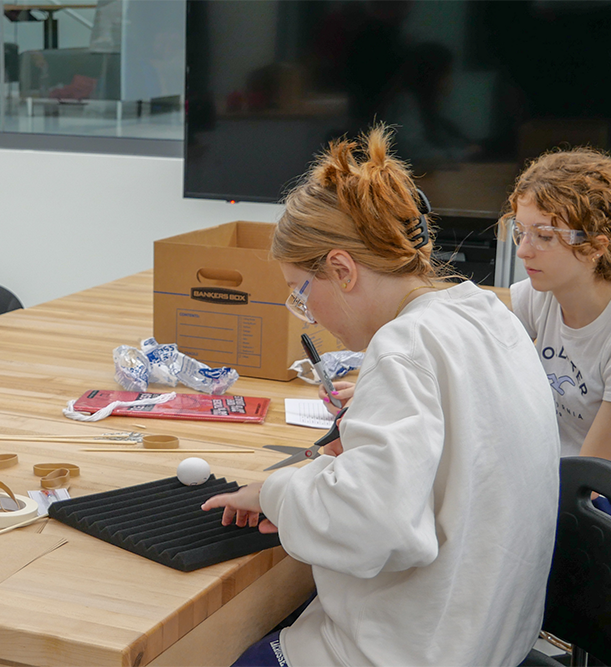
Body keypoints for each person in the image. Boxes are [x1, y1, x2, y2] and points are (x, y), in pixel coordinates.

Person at [202, 126, 559, 667]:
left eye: (302, 294)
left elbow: (377, 528)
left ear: (342, 270)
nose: (308, 315)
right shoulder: (487, 314)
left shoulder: (403, 348)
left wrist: (276, 492)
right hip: (495, 639)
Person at [504, 148, 611, 462]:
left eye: (544, 236)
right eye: (521, 232)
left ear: (595, 247)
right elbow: (473, 368)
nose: (523, 251)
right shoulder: (536, 297)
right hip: (548, 468)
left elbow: (590, 480)